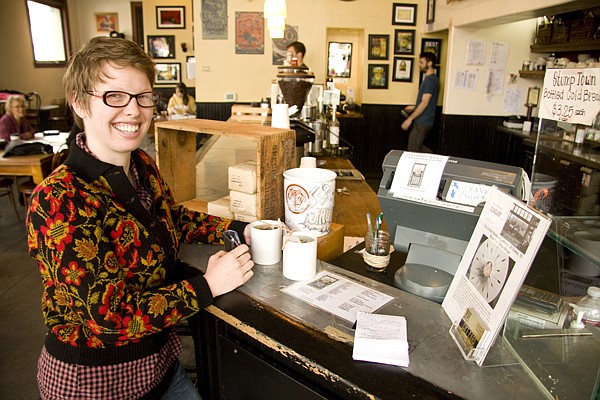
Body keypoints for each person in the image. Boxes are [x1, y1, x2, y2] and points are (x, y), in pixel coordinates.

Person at [26, 36, 254, 400]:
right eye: (114, 96)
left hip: (158, 366)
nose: (134, 111)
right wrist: (208, 285)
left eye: (143, 96)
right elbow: (110, 320)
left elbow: (171, 218)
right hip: (93, 384)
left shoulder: (141, 165)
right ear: (78, 102)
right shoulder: (58, 199)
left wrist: (239, 228)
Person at [401, 52, 440, 153]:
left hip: (424, 121)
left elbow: (425, 102)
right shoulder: (430, 79)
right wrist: (414, 107)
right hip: (422, 120)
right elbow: (425, 102)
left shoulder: (430, 81)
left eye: (421, 62)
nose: (419, 65)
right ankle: (436, 160)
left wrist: (409, 119)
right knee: (415, 147)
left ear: (430, 63)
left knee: (413, 150)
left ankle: (437, 161)